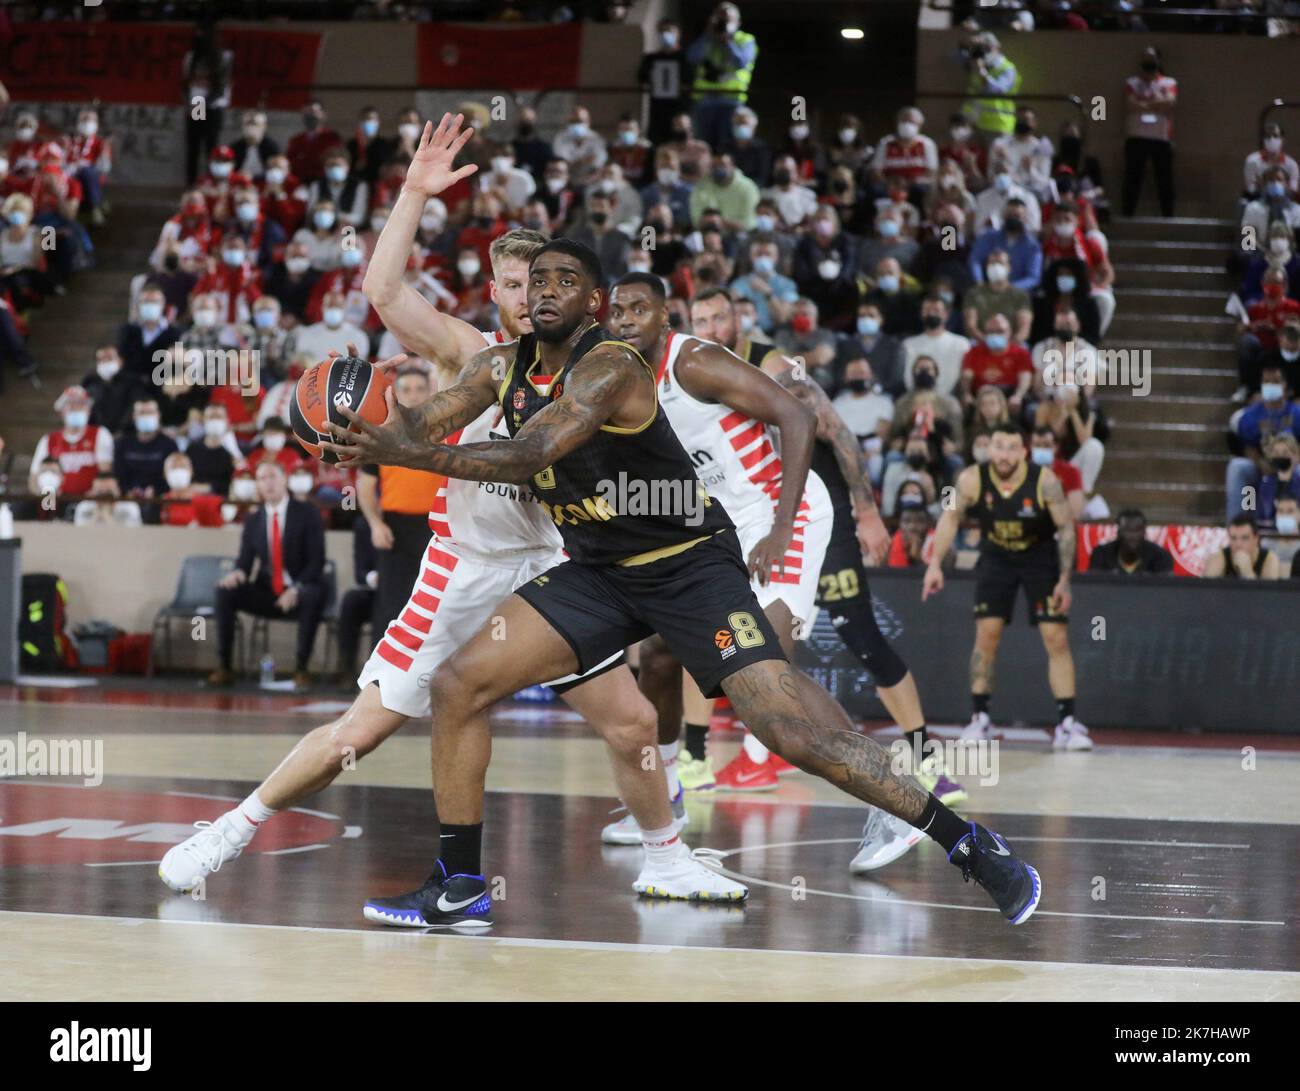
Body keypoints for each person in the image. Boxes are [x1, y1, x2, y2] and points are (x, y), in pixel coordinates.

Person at [327, 232, 1036, 925]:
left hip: (691, 568)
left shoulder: (611, 367)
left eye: (563, 281)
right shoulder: (499, 366)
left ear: (596, 302)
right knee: (457, 683)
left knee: (786, 727)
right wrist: (359, 428)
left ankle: (969, 842)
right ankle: (459, 884)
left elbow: (530, 450)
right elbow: (423, 421)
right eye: (535, 280)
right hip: (600, 571)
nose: (544, 291)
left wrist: (406, 451)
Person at [161, 117, 736, 911]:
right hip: (462, 567)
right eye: (507, 284)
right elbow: (384, 291)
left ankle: (665, 857)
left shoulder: (596, 369)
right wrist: (413, 193)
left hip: (548, 566)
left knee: (634, 722)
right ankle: (230, 828)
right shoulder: (471, 353)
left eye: (537, 281)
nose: (523, 297)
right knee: (358, 735)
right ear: (494, 292)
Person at [924, 424, 1091, 752]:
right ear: (989, 449)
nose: (1003, 455)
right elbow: (949, 518)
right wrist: (934, 564)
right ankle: (979, 718)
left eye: (1011, 448)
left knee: (1055, 637)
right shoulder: (972, 478)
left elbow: (1067, 529)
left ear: (1023, 452)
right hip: (996, 556)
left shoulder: (1045, 481)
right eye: (998, 447)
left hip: (1039, 556)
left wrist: (1064, 578)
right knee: (986, 635)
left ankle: (1068, 724)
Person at [207, 460, 328, 692]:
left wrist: (296, 588)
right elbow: (245, 561)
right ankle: (224, 666)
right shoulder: (253, 519)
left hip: (301, 588)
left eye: (272, 476)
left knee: (313, 595)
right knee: (224, 592)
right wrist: (237, 574)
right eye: (262, 478)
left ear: (285, 480)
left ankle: (302, 668)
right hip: (268, 591)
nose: (268, 483)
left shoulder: (307, 513)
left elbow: (317, 562)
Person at [687, 3, 758, 151]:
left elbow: (741, 63)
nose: (724, 23)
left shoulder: (745, 40)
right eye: (721, 19)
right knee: (703, 145)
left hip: (731, 100)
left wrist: (728, 42)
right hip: (705, 100)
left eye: (728, 20)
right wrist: (708, 34)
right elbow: (691, 58)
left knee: (727, 145)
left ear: (738, 23)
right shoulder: (707, 38)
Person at [1122, 46, 1177, 218]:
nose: (1148, 61)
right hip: (1136, 136)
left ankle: (1168, 215)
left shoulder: (1169, 82)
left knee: (1165, 180)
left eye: (1152, 58)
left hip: (1161, 137)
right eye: (1145, 57)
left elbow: (1170, 101)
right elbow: (1130, 104)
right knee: (1133, 178)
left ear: (1158, 61)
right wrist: (1155, 104)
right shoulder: (1132, 82)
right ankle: (1128, 214)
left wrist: (1143, 104)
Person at [638, 18, 692, 147]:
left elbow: (689, 81)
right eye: (663, 31)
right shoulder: (652, 58)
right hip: (657, 108)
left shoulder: (685, 58)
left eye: (670, 31)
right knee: (657, 142)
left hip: (678, 107)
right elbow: (642, 78)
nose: (666, 34)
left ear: (678, 34)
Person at [1087, 509, 1173, 575]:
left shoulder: (1161, 557)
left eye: (1137, 530)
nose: (1132, 536)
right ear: (1118, 532)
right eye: (1127, 530)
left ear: (1144, 532)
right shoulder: (1101, 554)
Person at [1203, 515, 1281, 580]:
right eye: (1233, 538)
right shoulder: (1220, 557)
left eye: (1245, 538)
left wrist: (1247, 572)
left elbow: (1268, 596)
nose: (1238, 544)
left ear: (1256, 539)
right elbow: (1205, 592)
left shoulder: (1269, 558)